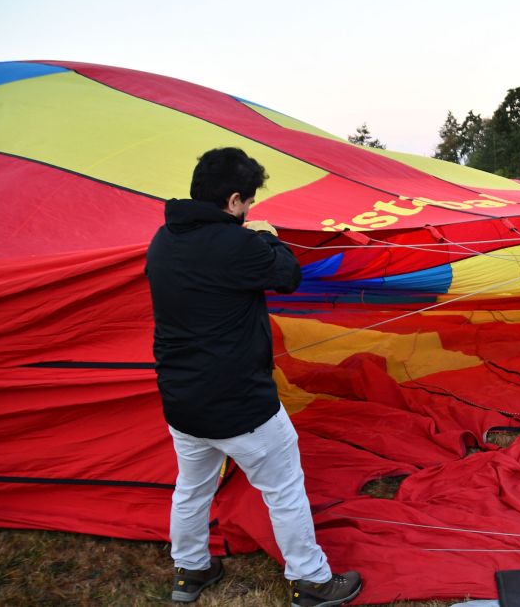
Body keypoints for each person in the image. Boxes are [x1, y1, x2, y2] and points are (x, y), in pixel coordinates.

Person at [145, 147, 362, 606]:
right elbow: (288, 274)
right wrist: (267, 236)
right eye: (247, 203)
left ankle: (190, 570)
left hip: (182, 400)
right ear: (233, 201)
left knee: (191, 489)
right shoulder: (238, 245)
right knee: (285, 489)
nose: (248, 211)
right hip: (240, 402)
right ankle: (312, 580)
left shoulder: (163, 239)